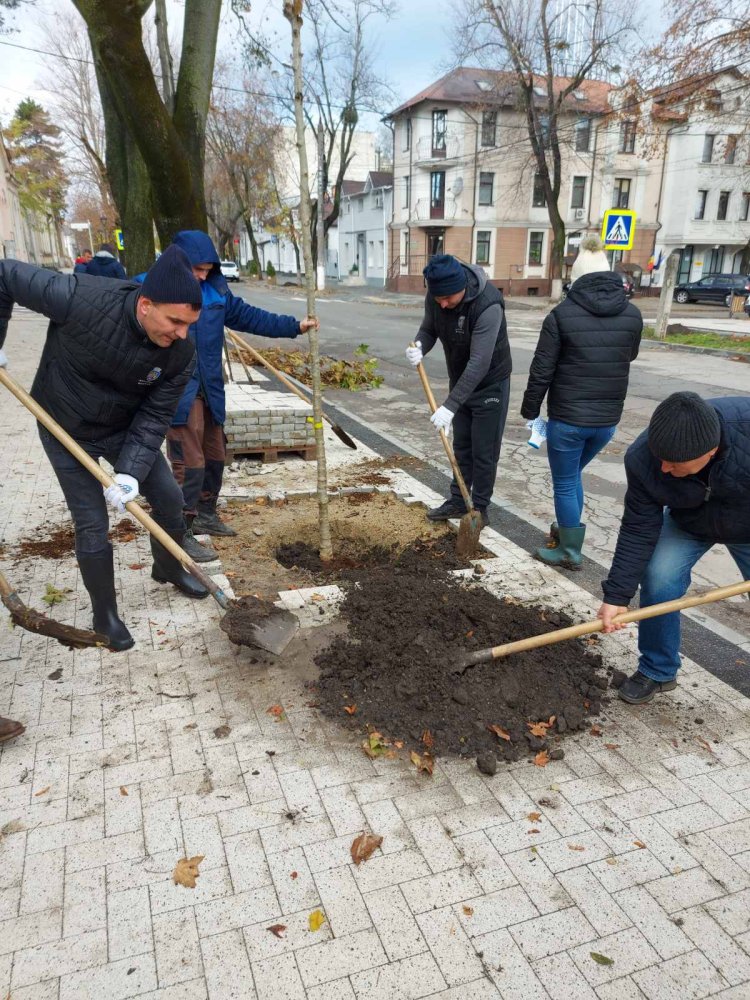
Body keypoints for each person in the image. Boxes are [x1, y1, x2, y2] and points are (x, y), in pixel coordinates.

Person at [0, 245, 208, 654]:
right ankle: (105, 614)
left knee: (169, 498)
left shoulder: (181, 354)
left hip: (123, 429)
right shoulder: (79, 297)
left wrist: (130, 472)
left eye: (189, 324)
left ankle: (167, 566)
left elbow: (155, 414)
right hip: (64, 427)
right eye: (175, 321)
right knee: (92, 523)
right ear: (146, 305)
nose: (182, 333)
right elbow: (5, 274)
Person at [144, 231, 318, 556]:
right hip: (177, 390)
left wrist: (294, 326)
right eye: (197, 269)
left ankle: (205, 514)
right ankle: (179, 532)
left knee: (215, 455)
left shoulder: (216, 292)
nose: (202, 275)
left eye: (208, 270)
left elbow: (251, 317)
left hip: (209, 386)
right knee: (189, 462)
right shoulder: (152, 289)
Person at [597, 393, 750, 704]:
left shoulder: (744, 429)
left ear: (710, 451)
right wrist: (617, 596)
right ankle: (658, 669)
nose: (665, 469)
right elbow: (638, 528)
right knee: (659, 576)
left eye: (675, 463)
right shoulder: (643, 457)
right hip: (690, 522)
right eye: (661, 458)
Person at [521, 237, 642, 569]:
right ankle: (568, 530)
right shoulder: (632, 315)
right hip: (607, 421)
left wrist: (530, 412)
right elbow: (629, 355)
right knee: (572, 475)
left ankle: (569, 551)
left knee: (564, 481)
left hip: (568, 420)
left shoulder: (561, 316)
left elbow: (541, 370)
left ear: (575, 278)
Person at [405, 254, 512, 526]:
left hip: (490, 383)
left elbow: (479, 363)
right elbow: (429, 328)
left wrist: (450, 406)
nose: (442, 304)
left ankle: (480, 508)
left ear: (462, 286)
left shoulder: (488, 305)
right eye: (437, 298)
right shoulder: (437, 295)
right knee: (462, 446)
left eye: (447, 298)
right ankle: (458, 500)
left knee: (484, 451)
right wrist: (420, 345)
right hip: (461, 379)